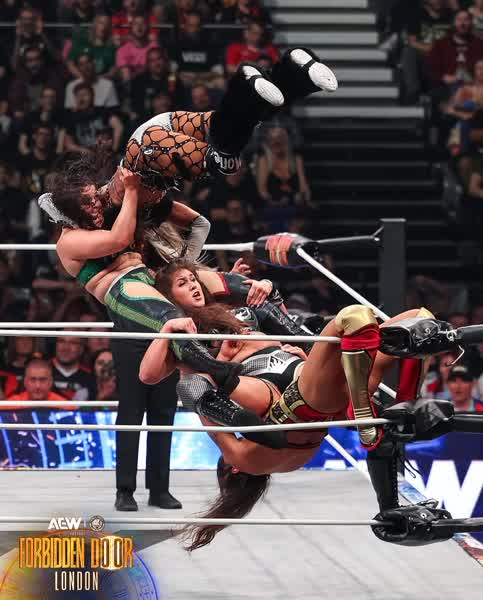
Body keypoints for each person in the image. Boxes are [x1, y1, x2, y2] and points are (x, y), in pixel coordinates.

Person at [140, 261, 458, 550]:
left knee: (419, 319)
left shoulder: (224, 315)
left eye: (192, 279)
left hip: (314, 386)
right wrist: (209, 356)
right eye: (182, 283)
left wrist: (262, 292)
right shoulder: (191, 343)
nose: (193, 285)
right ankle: (375, 410)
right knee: (354, 316)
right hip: (299, 393)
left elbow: (279, 331)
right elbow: (157, 378)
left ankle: (396, 408)